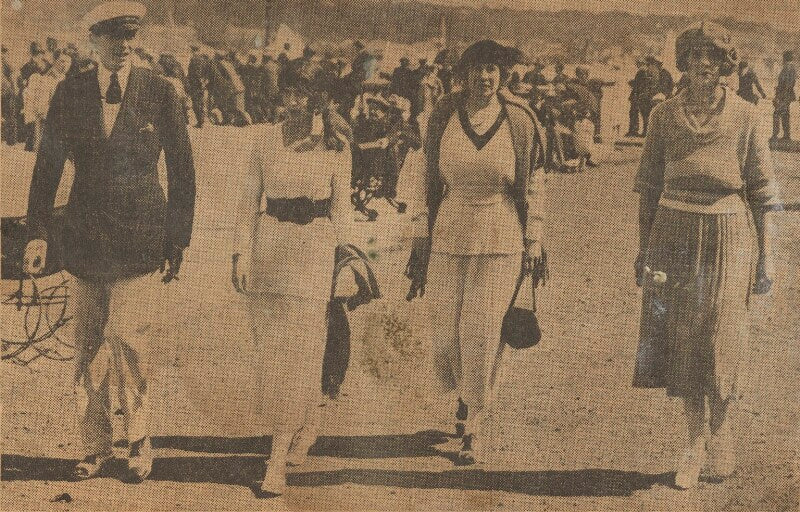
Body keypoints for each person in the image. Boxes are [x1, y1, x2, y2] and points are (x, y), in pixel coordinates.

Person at [23, 1, 196, 483]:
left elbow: (182, 170)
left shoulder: (159, 91)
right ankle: (94, 445)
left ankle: (138, 438)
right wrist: (38, 233)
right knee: (87, 345)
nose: (123, 45)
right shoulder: (70, 91)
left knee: (129, 340)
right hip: (84, 239)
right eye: (113, 37)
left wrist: (177, 239)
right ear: (93, 41)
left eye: (130, 36)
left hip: (141, 238)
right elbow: (47, 168)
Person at [633, 21, 780, 490]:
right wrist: (643, 249)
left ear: (724, 64)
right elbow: (648, 188)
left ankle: (721, 431)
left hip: (728, 232)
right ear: (684, 62)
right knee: (684, 338)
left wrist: (767, 258)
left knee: (721, 333)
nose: (702, 65)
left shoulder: (746, 116)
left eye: (711, 57)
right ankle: (693, 442)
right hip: (672, 231)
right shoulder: (662, 115)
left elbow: (763, 194)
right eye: (694, 56)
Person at [405, 40, 547, 465]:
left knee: (483, 331)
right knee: (446, 336)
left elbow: (535, 179)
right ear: (463, 75)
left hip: (501, 232)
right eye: (476, 69)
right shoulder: (443, 116)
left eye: (492, 70)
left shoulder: (519, 119)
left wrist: (534, 237)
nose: (484, 77)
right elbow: (422, 173)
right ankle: (464, 396)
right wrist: (420, 227)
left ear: (502, 75)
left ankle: (475, 424)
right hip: (450, 228)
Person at [231, 73, 354, 499]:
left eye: (303, 94)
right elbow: (247, 203)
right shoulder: (264, 140)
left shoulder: (335, 145)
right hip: (269, 249)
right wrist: (240, 254)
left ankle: (277, 456)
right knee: (270, 352)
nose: (294, 102)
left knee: (301, 351)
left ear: (317, 100)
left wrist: (345, 264)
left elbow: (342, 210)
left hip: (314, 251)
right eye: (288, 94)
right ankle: (306, 423)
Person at [772, 51, 796, 140]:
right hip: (787, 95)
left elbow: (786, 84)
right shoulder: (792, 68)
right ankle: (786, 135)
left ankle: (776, 134)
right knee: (785, 114)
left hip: (784, 96)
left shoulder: (787, 68)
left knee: (777, 114)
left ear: (785, 58)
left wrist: (779, 96)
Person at [187, 44, 209, 127]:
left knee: (196, 103)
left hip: (195, 84)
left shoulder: (194, 59)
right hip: (201, 83)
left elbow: (195, 73)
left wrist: (198, 82)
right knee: (200, 102)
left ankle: (200, 122)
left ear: (192, 50)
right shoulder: (202, 59)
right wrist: (204, 82)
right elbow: (205, 72)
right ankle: (201, 120)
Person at [626, 58, 649, 136]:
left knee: (634, 113)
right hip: (640, 94)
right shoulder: (645, 71)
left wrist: (632, 83)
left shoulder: (641, 71)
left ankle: (633, 131)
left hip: (637, 95)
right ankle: (639, 130)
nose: (637, 65)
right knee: (641, 113)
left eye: (638, 63)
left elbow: (638, 84)